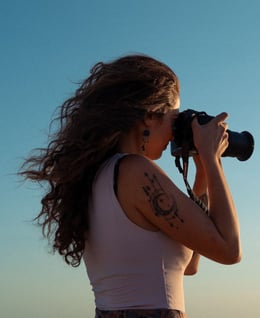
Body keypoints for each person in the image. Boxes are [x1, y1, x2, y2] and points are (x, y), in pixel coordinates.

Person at [20, 54, 241, 318]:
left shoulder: (97, 176)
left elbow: (189, 265)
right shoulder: (135, 171)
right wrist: (212, 158)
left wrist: (202, 175)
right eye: (175, 118)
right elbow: (229, 249)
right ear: (150, 115)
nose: (175, 133)